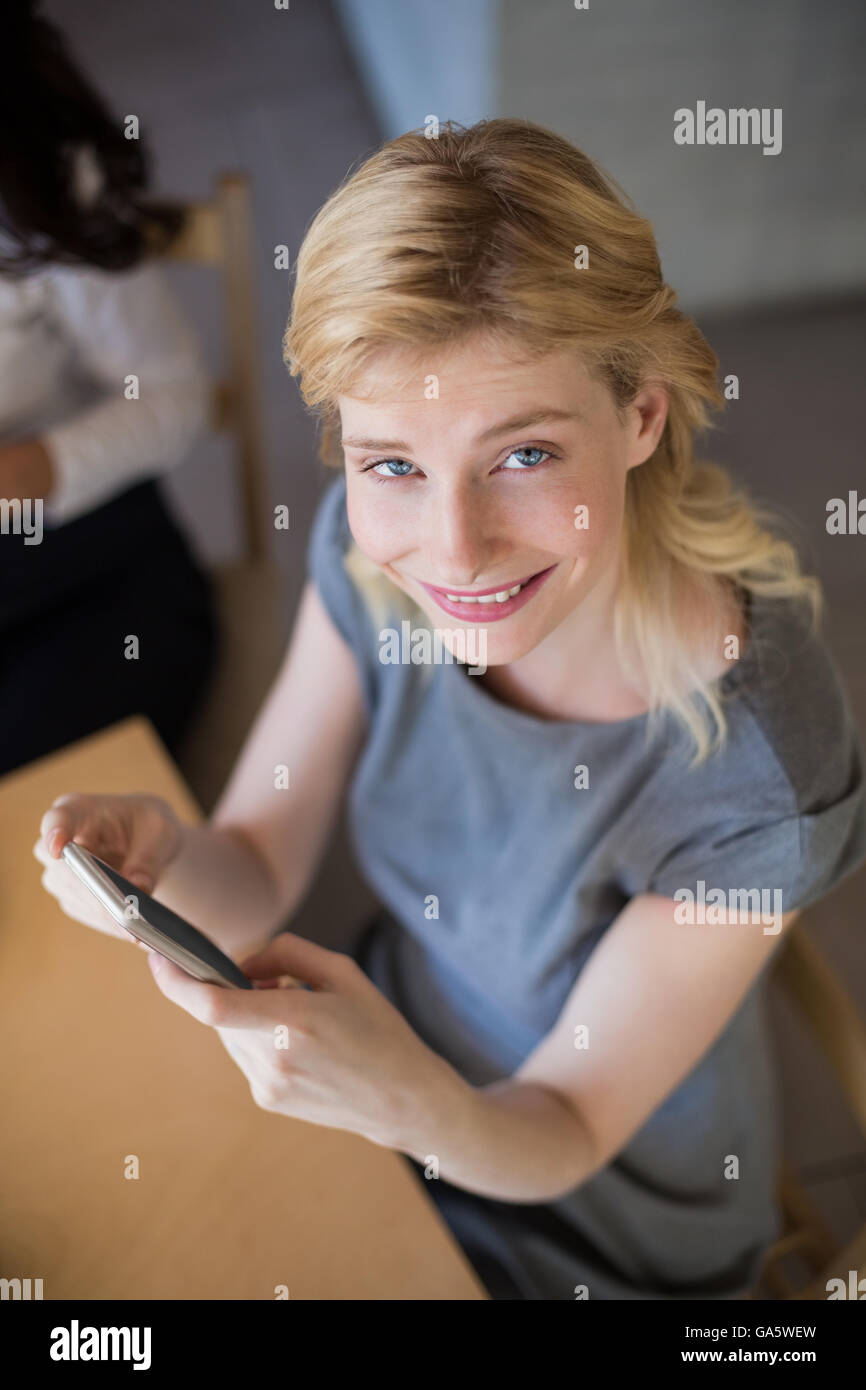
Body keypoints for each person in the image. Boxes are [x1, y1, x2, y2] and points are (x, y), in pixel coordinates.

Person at [35, 119, 866, 1301]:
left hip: (588, 1217)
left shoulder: (758, 767)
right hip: (398, 1055)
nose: (453, 548)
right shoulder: (375, 562)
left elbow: (565, 1126)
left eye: (521, 454)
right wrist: (160, 875)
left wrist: (405, 1102)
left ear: (641, 414)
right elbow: (259, 854)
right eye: (390, 465)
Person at [0, 2, 218, 776]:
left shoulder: (39, 185)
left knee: (42, 808)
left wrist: (35, 469)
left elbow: (174, 396)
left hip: (82, 555)